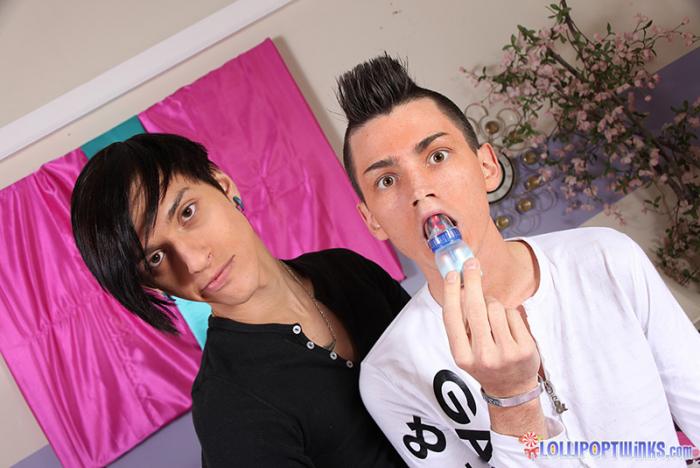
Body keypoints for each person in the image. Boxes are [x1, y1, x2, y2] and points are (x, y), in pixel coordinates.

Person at [335, 55, 700, 467]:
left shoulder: (606, 258)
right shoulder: (391, 375)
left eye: (437, 156)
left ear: (487, 167)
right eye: (386, 180)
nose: (419, 190)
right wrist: (511, 400)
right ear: (372, 220)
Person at [70, 133, 410, 467]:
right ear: (153, 285)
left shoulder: (347, 269)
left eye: (187, 212)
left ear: (224, 186)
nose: (193, 262)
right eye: (156, 258)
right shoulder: (228, 407)